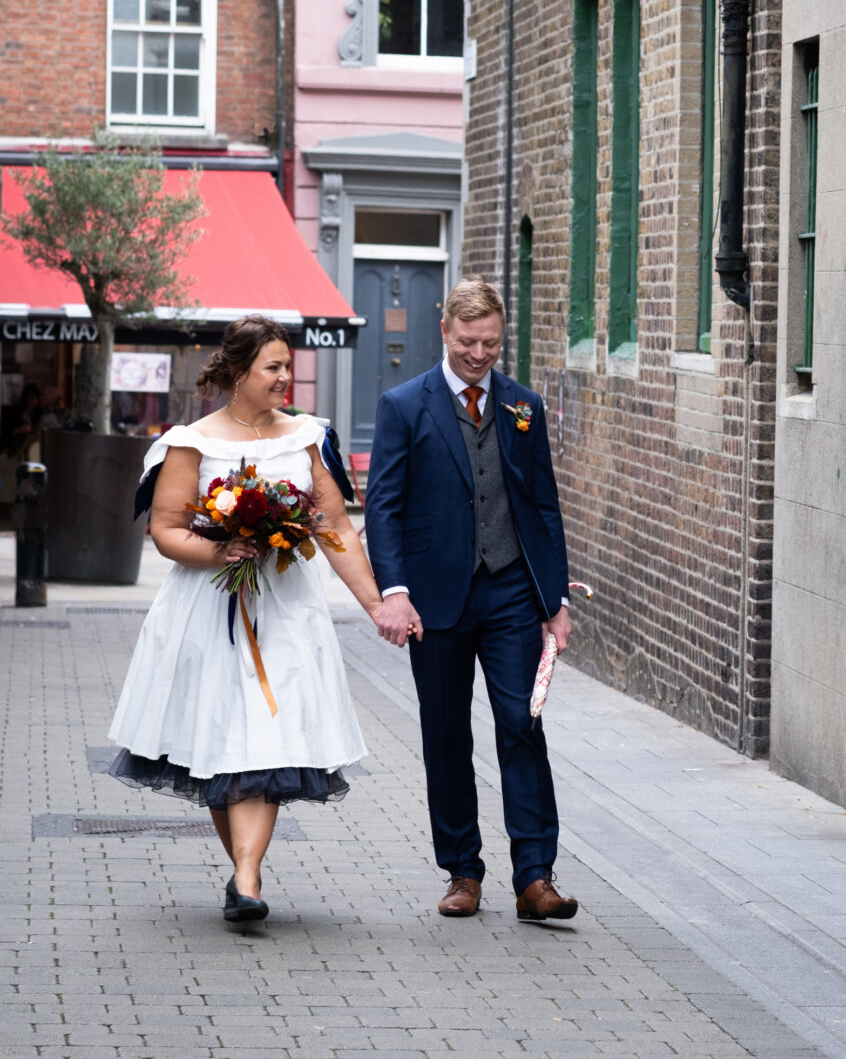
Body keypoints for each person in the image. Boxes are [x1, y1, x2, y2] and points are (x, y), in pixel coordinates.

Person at [108, 316, 394, 924]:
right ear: (239, 372)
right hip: (209, 610)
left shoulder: (308, 438)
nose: (287, 378)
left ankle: (246, 876)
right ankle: (245, 874)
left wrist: (374, 603)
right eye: (274, 368)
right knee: (220, 740)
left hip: (287, 612)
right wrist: (223, 550)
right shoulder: (193, 442)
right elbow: (164, 529)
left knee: (270, 738)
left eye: (288, 366)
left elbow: (336, 527)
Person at [364, 279, 578, 922]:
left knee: (522, 725)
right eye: (467, 342)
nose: (479, 354)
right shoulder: (404, 404)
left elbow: (543, 506)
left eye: (489, 343)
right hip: (435, 599)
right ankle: (462, 871)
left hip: (513, 589)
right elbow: (383, 506)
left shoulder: (523, 406)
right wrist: (394, 593)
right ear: (445, 333)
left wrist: (556, 599)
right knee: (447, 733)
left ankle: (535, 877)